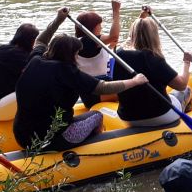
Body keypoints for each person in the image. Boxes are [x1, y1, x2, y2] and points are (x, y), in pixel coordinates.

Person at [12, 34, 147, 151]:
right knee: (97, 115)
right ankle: (97, 150)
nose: (77, 58)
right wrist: (134, 81)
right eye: (76, 54)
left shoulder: (35, 60)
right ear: (70, 54)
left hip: (22, 136)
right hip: (53, 139)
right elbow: (102, 87)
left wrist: (59, 18)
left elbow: (40, 41)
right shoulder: (66, 70)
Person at [0, 8, 70, 120]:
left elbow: (41, 43)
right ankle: (55, 120)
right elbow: (45, 65)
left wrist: (58, 20)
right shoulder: (20, 56)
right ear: (30, 41)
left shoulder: (3, 49)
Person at [113, 14, 192, 127]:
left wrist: (141, 18)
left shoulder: (118, 53)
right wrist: (186, 62)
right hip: (160, 115)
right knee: (186, 91)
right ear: (154, 35)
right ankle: (185, 125)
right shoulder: (154, 59)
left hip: (127, 117)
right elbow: (182, 85)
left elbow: (130, 39)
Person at [74, 0, 121, 105]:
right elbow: (114, 36)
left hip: (95, 90)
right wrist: (116, 11)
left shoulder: (81, 42)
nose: (101, 27)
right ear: (92, 27)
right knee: (135, 89)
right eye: (99, 25)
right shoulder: (88, 41)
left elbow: (92, 58)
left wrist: (109, 46)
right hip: (96, 93)